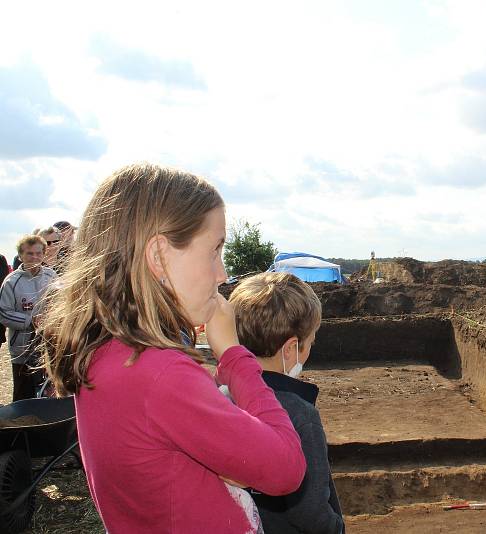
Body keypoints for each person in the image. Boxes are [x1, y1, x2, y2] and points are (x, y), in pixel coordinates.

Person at [42, 163, 306, 533]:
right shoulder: (160, 373)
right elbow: (286, 469)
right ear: (159, 256)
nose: (222, 274)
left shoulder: (107, 354)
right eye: (214, 250)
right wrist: (232, 354)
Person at [229, 272, 344, 534]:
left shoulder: (219, 398)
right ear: (290, 349)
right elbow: (310, 512)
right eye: (311, 341)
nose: (311, 348)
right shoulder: (300, 416)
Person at [0, 235, 57, 400]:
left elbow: (61, 302)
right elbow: (4, 313)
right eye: (30, 253)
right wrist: (30, 321)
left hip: (49, 345)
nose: (35, 257)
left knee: (48, 392)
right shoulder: (11, 282)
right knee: (23, 393)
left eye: (39, 253)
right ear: (20, 255)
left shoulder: (51, 277)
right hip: (22, 347)